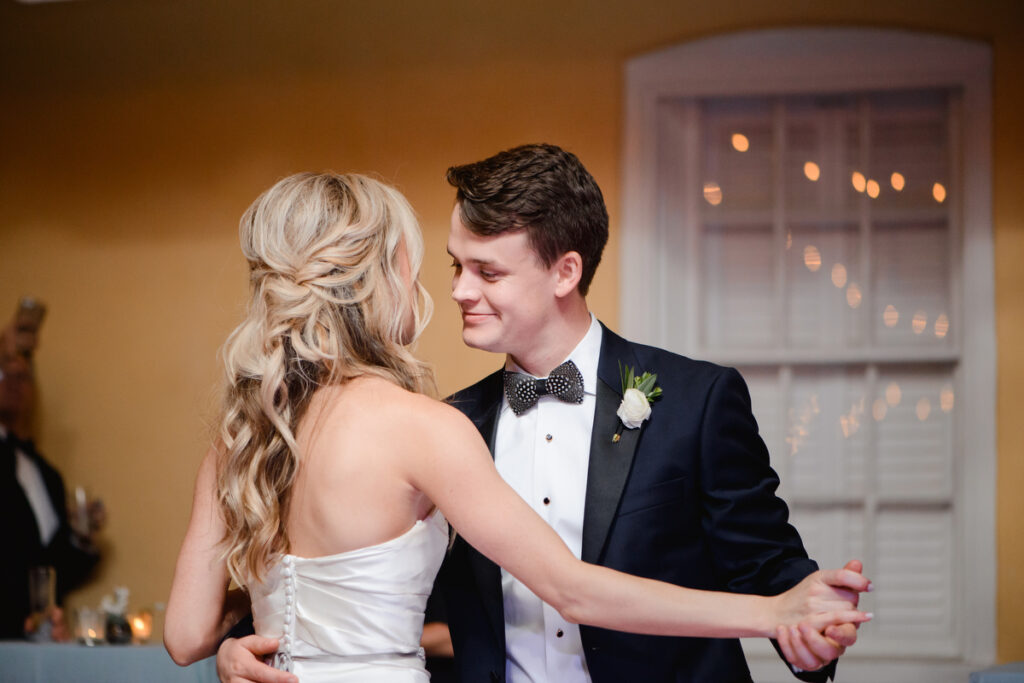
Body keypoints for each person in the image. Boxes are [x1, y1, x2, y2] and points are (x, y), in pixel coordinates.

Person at [168, 172, 870, 683]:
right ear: (373, 280)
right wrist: (768, 613)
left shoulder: (243, 434)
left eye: (485, 270)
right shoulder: (438, 425)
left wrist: (796, 615)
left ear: (565, 272)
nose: (455, 290)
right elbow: (569, 587)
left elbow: (186, 633)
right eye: (445, 267)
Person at [0, 301, 101, 639]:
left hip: (39, 637)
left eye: (23, 376)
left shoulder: (46, 473)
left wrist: (79, 537)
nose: (14, 382)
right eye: (4, 372)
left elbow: (52, 566)